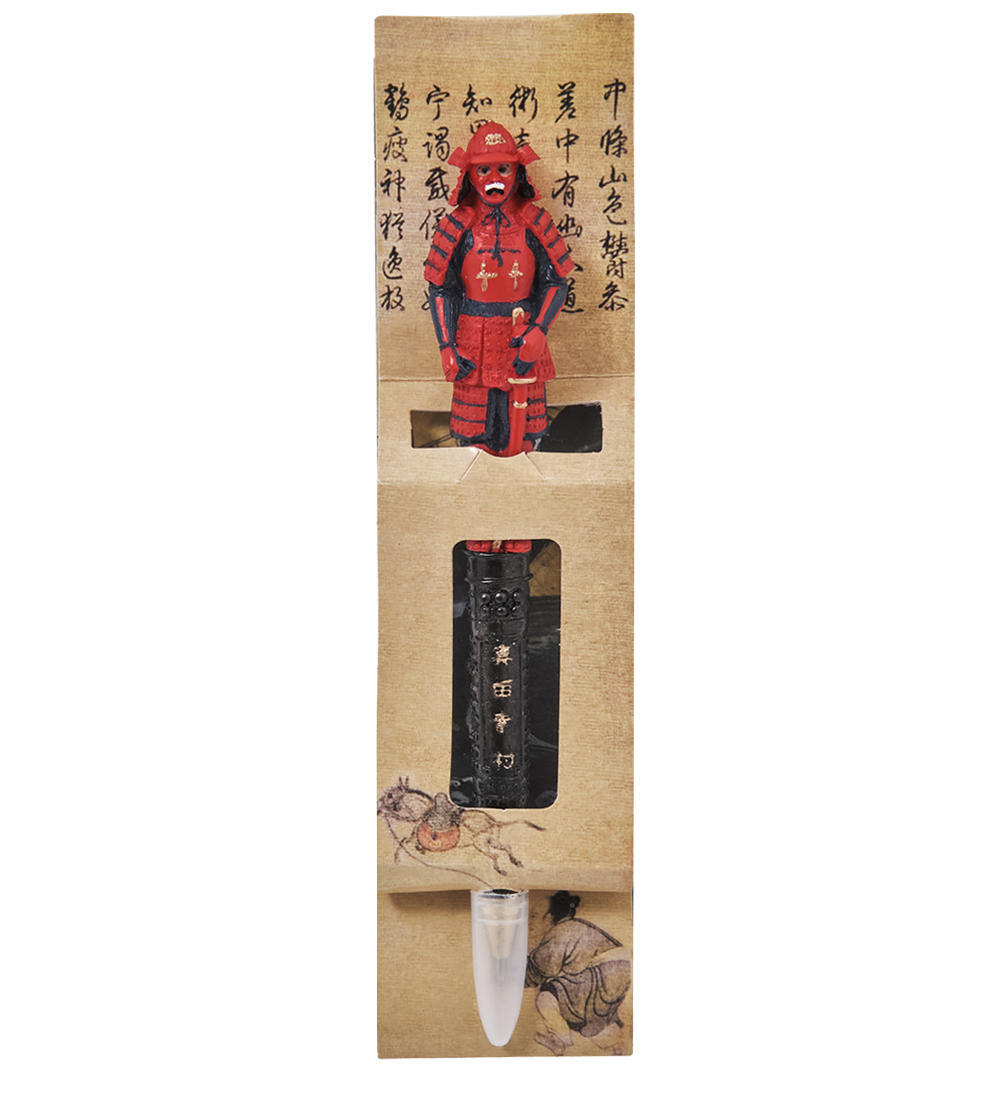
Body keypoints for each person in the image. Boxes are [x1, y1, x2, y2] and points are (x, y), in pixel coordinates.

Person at [423, 121, 572, 455]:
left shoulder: (535, 222)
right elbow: (441, 289)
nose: (494, 179)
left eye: (503, 169)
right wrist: (446, 345)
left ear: (518, 173)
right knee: (474, 434)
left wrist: (539, 330)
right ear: (469, 175)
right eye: (484, 170)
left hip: (523, 335)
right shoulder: (456, 226)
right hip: (471, 340)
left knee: (526, 434)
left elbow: (555, 281)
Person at [525, 891, 631, 1055]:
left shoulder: (560, 931)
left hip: (603, 974)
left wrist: (513, 979)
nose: (529, 921)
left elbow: (540, 969)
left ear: (549, 917)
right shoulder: (572, 926)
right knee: (589, 1014)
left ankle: (558, 1040)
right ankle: (616, 1046)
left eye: (534, 916)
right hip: (618, 974)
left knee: (548, 995)